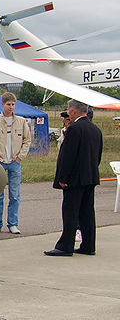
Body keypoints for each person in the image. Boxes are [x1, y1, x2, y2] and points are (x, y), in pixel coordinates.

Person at [44, 99, 103, 256]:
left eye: (69, 109)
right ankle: (89, 244)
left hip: (75, 179)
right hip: (90, 177)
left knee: (70, 211)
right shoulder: (95, 129)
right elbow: (98, 155)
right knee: (87, 212)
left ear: (74, 111)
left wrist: (63, 177)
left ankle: (66, 245)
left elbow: (68, 156)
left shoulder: (75, 129)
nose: (68, 112)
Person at [0, 92, 32, 234]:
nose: (11, 107)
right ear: (2, 104)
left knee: (14, 195)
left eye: (13, 104)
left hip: (15, 162)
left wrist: (20, 157)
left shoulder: (21, 121)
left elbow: (27, 140)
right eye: (8, 104)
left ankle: (13, 223)